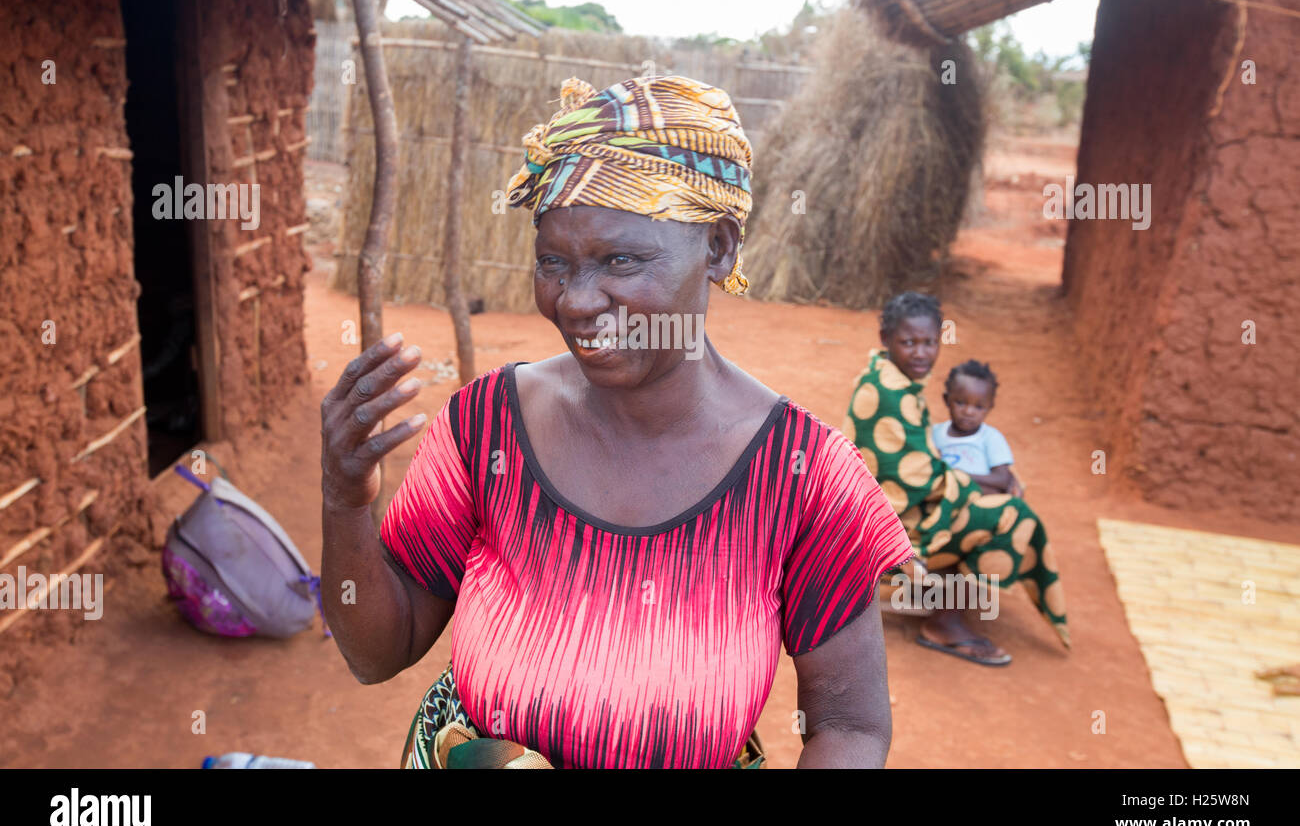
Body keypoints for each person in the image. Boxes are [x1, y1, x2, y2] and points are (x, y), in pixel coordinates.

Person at [320, 75, 915, 769]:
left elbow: (849, 726)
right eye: (553, 263)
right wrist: (344, 499)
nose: (575, 302)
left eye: (621, 260)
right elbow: (376, 652)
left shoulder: (802, 474)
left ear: (719, 248)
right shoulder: (487, 428)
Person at [843, 292, 1068, 666]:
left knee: (976, 500)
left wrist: (978, 482)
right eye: (908, 342)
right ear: (886, 339)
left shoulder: (887, 377)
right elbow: (918, 478)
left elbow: (920, 463)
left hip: (882, 510)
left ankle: (940, 597)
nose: (921, 353)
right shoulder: (890, 394)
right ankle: (943, 621)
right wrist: (991, 483)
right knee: (1013, 515)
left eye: (929, 342)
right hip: (887, 524)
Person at [933, 360, 1024, 498]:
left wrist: (958, 476)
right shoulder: (934, 433)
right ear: (946, 400)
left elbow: (1003, 479)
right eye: (960, 403)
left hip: (980, 502)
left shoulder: (991, 437)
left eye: (979, 407)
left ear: (989, 407)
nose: (969, 412)